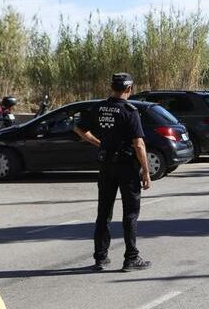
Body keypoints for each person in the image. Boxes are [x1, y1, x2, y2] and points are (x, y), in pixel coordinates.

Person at [74, 73, 153, 272]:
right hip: (127, 167)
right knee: (130, 213)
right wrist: (146, 170)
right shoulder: (129, 110)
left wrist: (99, 143)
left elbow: (80, 129)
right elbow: (139, 143)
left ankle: (100, 258)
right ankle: (131, 258)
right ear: (128, 89)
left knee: (103, 213)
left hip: (106, 165)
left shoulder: (99, 107)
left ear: (113, 87)